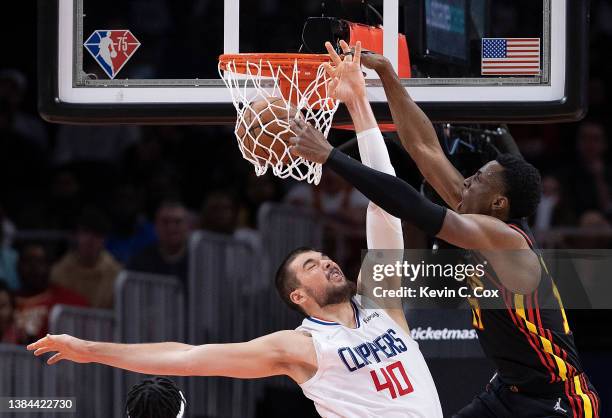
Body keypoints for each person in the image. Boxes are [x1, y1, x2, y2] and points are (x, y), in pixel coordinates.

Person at [27, 43, 444, 418]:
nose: (329, 263)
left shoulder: (384, 309)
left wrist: (357, 101)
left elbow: (386, 202)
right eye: (312, 265)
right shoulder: (301, 347)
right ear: (297, 296)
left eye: (325, 257)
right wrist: (89, 350)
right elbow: (186, 357)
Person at [289, 41, 600, 418]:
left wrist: (331, 155)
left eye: (479, 179)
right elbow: (425, 148)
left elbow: (414, 206)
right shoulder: (479, 217)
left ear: (498, 204)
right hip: (507, 390)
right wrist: (387, 74)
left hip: (557, 401)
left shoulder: (507, 241)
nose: (466, 180)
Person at [14, 243, 88, 343]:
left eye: (40, 262)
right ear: (18, 265)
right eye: (28, 261)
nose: (34, 268)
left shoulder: (69, 301)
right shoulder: (6, 300)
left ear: (50, 266)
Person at [50, 209, 121, 308]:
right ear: (75, 236)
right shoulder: (58, 272)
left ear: (104, 240)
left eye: (97, 235)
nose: (90, 240)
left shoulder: (117, 275)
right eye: (85, 232)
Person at [127, 201, 190, 284]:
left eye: (177, 222)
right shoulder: (141, 262)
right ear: (156, 226)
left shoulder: (199, 259)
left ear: (188, 226)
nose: (171, 228)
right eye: (165, 222)